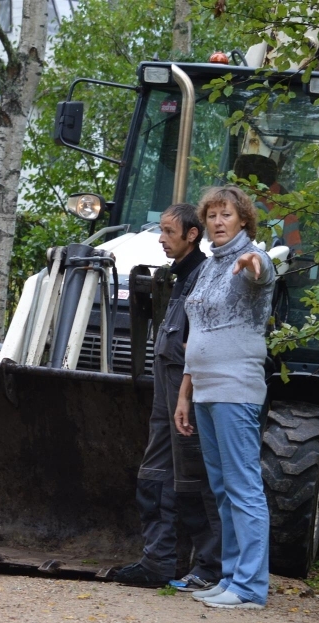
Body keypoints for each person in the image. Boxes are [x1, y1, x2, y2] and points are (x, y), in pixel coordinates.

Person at [175, 185, 276, 610]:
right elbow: (196, 334)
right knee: (222, 489)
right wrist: (185, 393)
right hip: (205, 389)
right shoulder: (210, 266)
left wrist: (256, 263)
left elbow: (262, 273)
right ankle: (232, 578)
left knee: (243, 487)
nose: (218, 222)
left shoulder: (251, 256)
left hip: (236, 388)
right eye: (212, 216)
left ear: (243, 220)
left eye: (226, 215)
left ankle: (250, 588)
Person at [114, 204, 223, 590]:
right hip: (166, 389)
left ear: (192, 235)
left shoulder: (205, 277)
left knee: (194, 478)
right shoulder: (178, 278)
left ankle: (211, 567)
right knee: (155, 474)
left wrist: (186, 396)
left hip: (186, 391)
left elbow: (202, 344)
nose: (161, 239)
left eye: (168, 232)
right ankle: (157, 561)